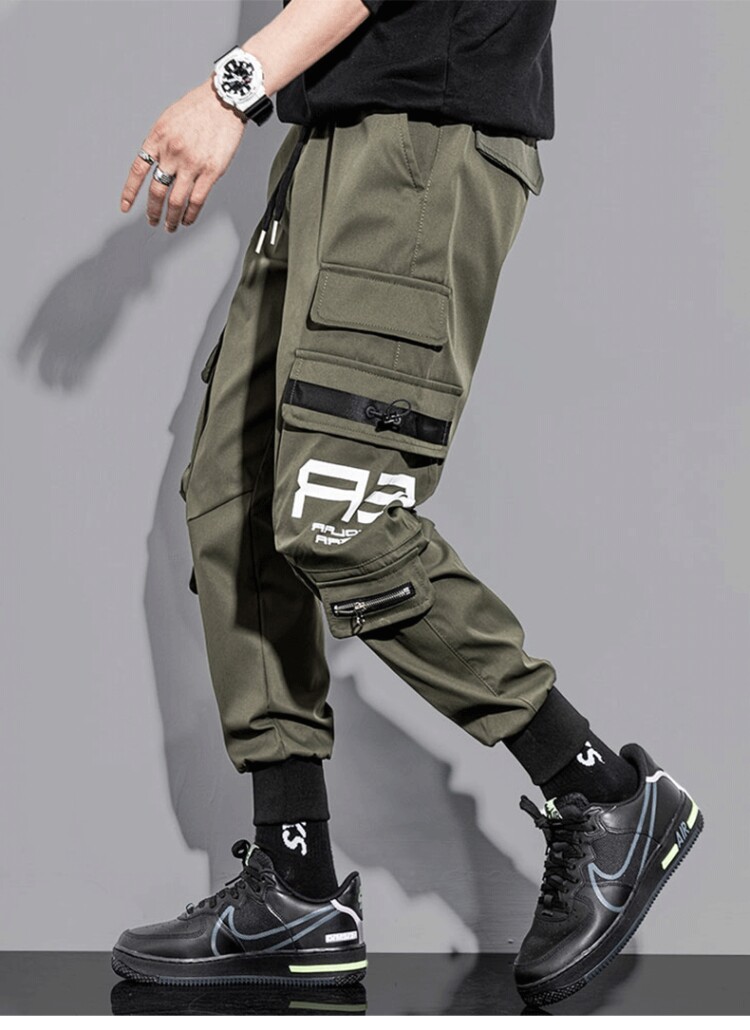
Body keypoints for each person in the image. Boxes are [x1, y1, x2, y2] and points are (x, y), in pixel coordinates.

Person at [113, 0, 703, 1008]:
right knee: (234, 502)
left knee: (336, 513)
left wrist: (230, 88)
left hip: (421, 142)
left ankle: (600, 790)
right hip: (337, 133)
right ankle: (294, 883)